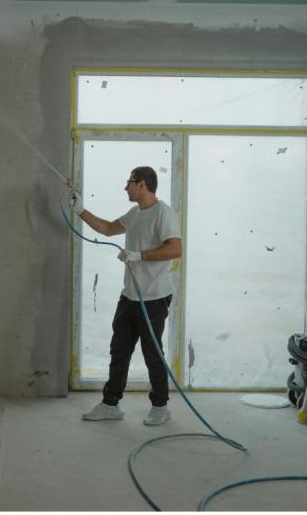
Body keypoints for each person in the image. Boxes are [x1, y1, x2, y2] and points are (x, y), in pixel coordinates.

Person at [70, 166, 182, 426]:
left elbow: (175, 248)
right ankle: (110, 404)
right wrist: (81, 211)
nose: (126, 187)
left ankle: (160, 406)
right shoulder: (135, 214)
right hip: (130, 295)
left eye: (129, 182)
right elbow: (109, 228)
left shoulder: (163, 213)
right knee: (119, 351)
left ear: (141, 184)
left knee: (152, 352)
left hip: (153, 296)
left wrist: (139, 255)